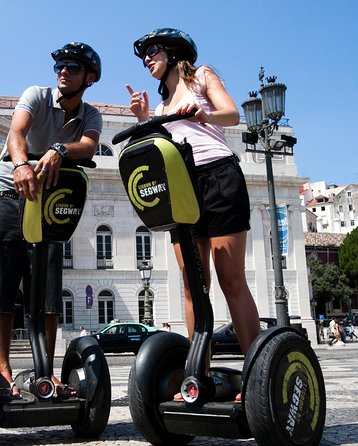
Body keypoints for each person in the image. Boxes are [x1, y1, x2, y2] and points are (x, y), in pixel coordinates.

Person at [126, 28, 260, 402]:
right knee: (190, 283)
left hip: (219, 176)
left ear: (172, 51)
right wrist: (144, 118)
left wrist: (204, 113)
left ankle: (254, 373)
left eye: (152, 52)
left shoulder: (201, 76)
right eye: (143, 57)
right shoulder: (164, 106)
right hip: (183, 188)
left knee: (229, 278)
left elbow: (231, 114)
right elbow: (162, 145)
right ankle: (197, 375)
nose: (147, 61)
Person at [0, 42, 102, 400]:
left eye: (73, 67)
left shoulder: (90, 115)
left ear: (90, 78)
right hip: (6, 195)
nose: (63, 70)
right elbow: (17, 133)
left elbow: (89, 147)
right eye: (60, 65)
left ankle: (46, 371)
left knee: (46, 291)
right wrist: (21, 165)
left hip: (48, 204)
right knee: (0, 285)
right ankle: (1, 372)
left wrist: (59, 149)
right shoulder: (37, 95)